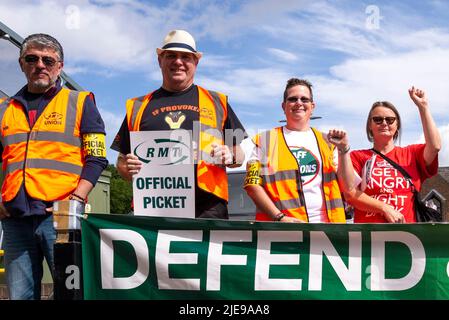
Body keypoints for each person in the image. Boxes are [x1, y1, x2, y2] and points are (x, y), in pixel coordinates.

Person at [0, 33, 108, 299]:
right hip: (14, 219)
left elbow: (97, 158)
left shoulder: (81, 102)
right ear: (21, 63)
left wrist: (77, 197)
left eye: (48, 60)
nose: (40, 65)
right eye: (32, 58)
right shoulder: (4, 109)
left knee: (71, 293)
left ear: (59, 66)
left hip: (60, 218)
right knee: (19, 296)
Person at [111, 29, 246, 219]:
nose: (178, 61)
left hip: (208, 211)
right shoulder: (138, 107)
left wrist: (229, 154)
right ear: (160, 61)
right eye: (171, 56)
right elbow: (122, 161)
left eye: (185, 57)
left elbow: (239, 155)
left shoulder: (217, 102)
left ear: (196, 62)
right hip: (155, 209)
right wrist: (128, 168)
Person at [244, 78, 354, 223]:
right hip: (285, 229)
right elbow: (252, 185)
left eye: (304, 99)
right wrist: (280, 218)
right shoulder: (264, 141)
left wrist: (344, 150)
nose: (299, 103)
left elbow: (349, 187)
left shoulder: (329, 141)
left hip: (329, 229)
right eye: (293, 99)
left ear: (312, 106)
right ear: (284, 106)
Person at [347, 87, 441, 223]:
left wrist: (423, 107)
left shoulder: (411, 154)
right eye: (378, 119)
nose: (384, 123)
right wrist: (384, 208)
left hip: (406, 237)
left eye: (390, 120)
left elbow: (435, 146)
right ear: (369, 125)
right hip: (369, 237)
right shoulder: (357, 156)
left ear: (397, 125)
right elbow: (351, 195)